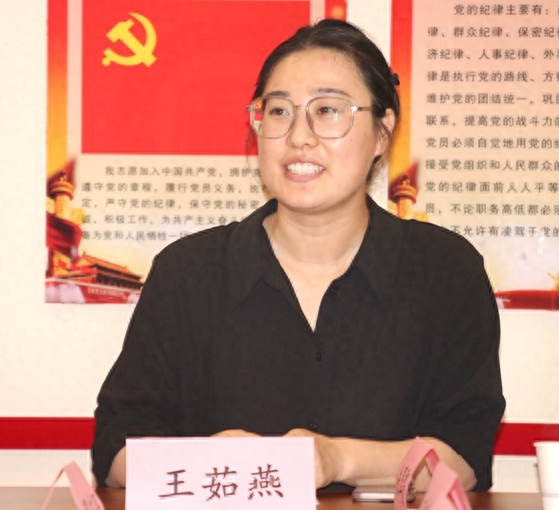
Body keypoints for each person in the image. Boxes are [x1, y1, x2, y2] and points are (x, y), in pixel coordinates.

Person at [92, 19, 505, 492]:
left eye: (327, 110)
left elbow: (465, 460)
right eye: (279, 111)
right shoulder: (187, 273)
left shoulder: (445, 271)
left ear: (382, 130)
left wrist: (335, 459)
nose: (299, 137)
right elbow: (114, 454)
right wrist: (204, 460)